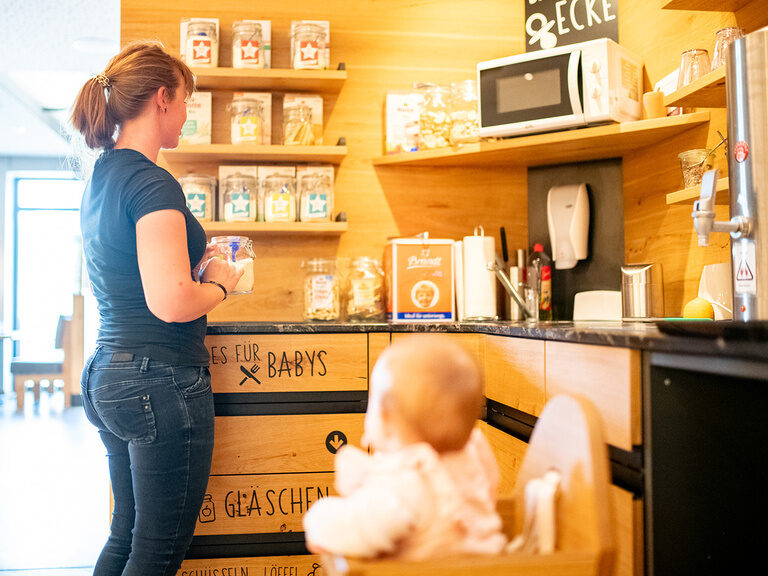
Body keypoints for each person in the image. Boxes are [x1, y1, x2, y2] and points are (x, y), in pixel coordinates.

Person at [70, 41, 243, 576]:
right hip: (159, 380)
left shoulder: (104, 177)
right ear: (163, 99)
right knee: (157, 551)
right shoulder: (152, 182)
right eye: (188, 101)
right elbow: (170, 302)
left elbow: (135, 279)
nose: (188, 114)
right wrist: (222, 283)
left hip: (108, 372)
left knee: (126, 536)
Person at [303, 335, 507, 560]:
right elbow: (490, 490)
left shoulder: (407, 479)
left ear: (385, 418)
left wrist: (318, 520)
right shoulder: (473, 451)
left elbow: (357, 528)